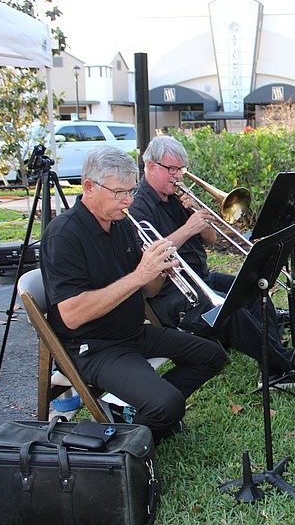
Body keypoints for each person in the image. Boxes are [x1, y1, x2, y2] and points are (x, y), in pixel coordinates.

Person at [40, 145, 227, 442]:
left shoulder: (121, 223)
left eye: (131, 192)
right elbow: (73, 315)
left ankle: (136, 414)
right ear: (89, 187)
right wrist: (140, 274)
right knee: (169, 404)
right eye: (119, 193)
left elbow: (146, 289)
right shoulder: (64, 235)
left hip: (132, 332)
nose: (127, 201)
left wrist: (157, 272)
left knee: (212, 355)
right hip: (94, 346)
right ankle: (136, 430)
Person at [128, 135, 295, 388]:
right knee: (231, 311)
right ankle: (286, 365)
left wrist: (197, 216)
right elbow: (150, 257)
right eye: (171, 169)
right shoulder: (138, 206)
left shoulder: (176, 196)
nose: (178, 176)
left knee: (257, 286)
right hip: (174, 293)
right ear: (150, 166)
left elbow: (211, 240)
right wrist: (188, 229)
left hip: (201, 277)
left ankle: (271, 369)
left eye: (181, 169)